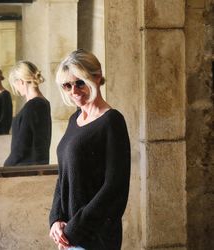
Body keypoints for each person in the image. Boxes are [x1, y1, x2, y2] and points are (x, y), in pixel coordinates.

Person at [49, 49, 131, 250]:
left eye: (80, 83)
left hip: (95, 237)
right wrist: (56, 219)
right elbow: (64, 176)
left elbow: (115, 188)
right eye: (67, 86)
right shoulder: (74, 119)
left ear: (97, 76)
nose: (74, 91)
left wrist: (74, 230)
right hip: (70, 234)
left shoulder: (112, 121)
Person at [4, 60, 52, 166]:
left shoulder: (33, 106)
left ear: (20, 81)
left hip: (24, 169)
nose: (16, 88)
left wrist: (6, 167)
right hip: (32, 167)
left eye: (14, 84)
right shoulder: (42, 103)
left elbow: (21, 147)